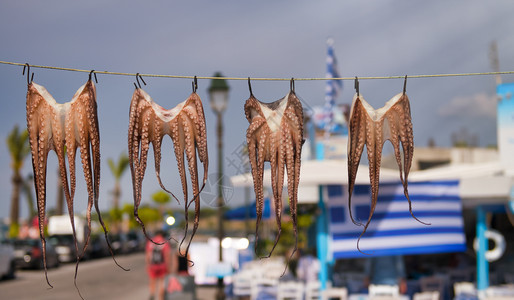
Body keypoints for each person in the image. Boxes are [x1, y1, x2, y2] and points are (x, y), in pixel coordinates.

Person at [145, 230, 173, 300]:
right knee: (162, 282)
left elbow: (148, 255)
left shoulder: (150, 242)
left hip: (152, 265)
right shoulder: (165, 242)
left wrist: (148, 265)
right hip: (162, 265)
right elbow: (167, 255)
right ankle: (161, 297)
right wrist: (168, 266)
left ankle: (152, 294)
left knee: (152, 281)